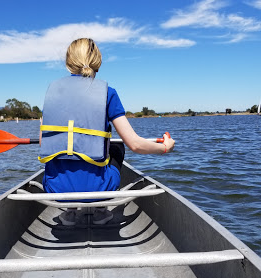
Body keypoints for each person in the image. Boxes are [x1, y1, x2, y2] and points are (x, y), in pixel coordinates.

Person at [39, 38, 175, 226]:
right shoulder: (108, 93)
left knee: (61, 154)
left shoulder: (52, 94)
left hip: (56, 189)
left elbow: (42, 143)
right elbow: (135, 144)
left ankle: (70, 212)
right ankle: (101, 210)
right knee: (117, 147)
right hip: (99, 188)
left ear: (68, 64)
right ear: (98, 62)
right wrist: (165, 148)